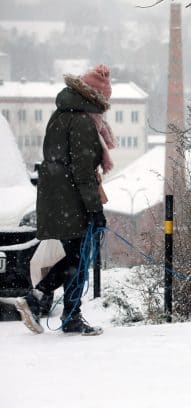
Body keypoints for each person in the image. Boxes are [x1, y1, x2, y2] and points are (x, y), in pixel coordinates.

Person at [15, 64, 117, 336]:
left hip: (57, 196)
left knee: (76, 256)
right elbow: (82, 171)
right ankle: (40, 300)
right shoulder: (83, 121)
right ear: (96, 96)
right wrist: (95, 209)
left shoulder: (61, 115)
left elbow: (57, 158)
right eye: (106, 97)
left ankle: (67, 313)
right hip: (72, 199)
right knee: (78, 258)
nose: (106, 103)